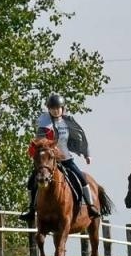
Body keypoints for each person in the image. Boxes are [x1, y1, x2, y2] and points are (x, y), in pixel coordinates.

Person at [23, 93, 96, 222]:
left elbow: (80, 137)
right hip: (48, 161)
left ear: (63, 109)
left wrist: (87, 154)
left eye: (58, 108)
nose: (55, 111)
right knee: (31, 182)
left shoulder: (68, 122)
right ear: (49, 109)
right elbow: (39, 141)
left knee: (82, 179)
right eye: (52, 108)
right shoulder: (44, 123)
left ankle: (90, 207)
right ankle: (31, 209)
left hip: (66, 159)